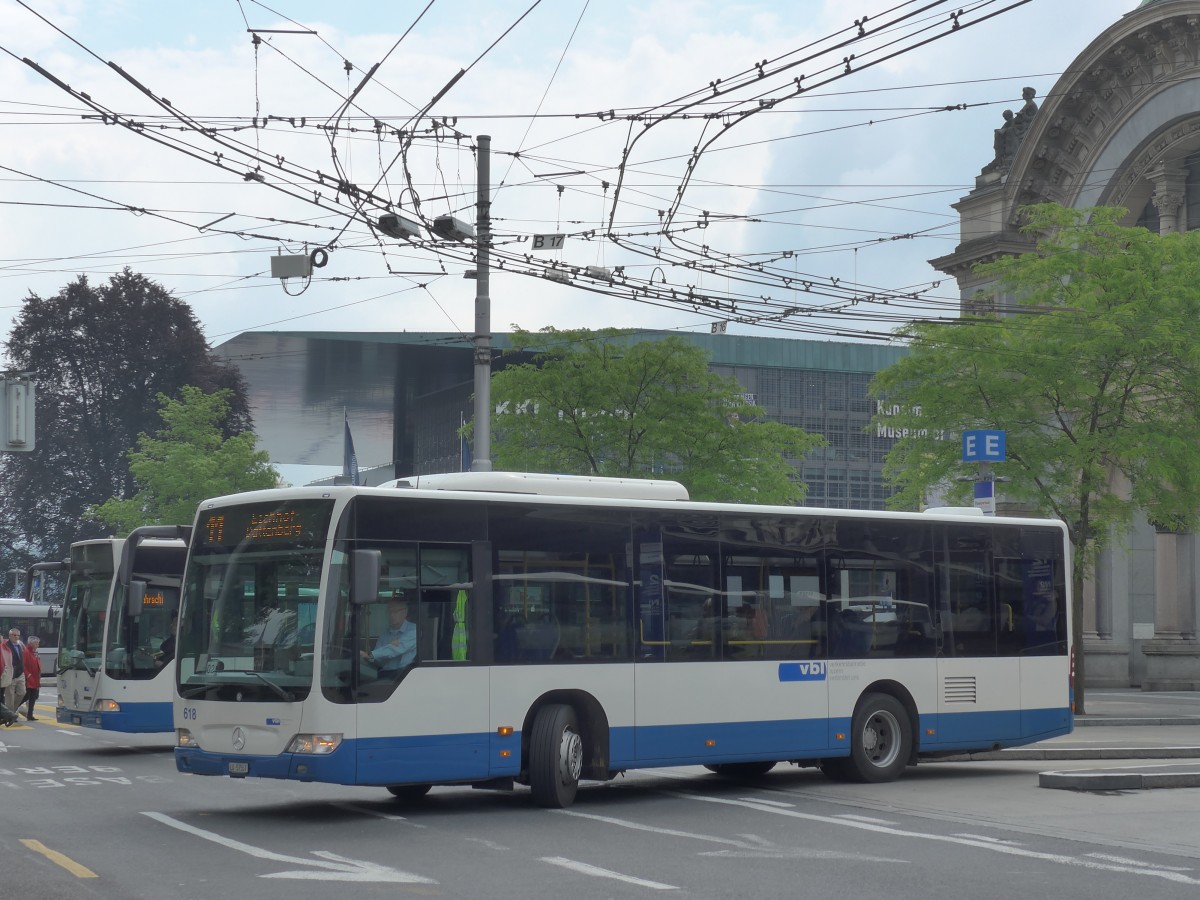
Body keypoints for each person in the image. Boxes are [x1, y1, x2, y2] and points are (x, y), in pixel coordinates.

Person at [361, 596, 417, 672]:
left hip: (404, 675)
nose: (391, 615)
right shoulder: (385, 634)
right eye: (390, 611)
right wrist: (368, 657)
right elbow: (378, 658)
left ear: (405, 612)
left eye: (395, 611)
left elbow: (397, 649)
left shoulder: (413, 630)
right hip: (386, 674)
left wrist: (371, 655)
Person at [4, 628, 25, 713]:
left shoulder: (20, 645)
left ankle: (12, 711)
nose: (16, 637)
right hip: (10, 674)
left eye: (18, 635)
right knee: (10, 696)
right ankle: (10, 714)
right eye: (14, 635)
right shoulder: (6, 645)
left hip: (20, 673)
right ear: (10, 636)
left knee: (22, 692)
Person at [20, 636, 41, 721]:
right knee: (26, 696)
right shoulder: (26, 652)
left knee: (33, 697)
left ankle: (30, 715)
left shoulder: (33, 652)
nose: (38, 645)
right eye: (36, 643)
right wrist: (27, 675)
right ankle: (13, 710)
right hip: (30, 678)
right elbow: (23, 665)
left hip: (35, 678)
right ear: (31, 644)